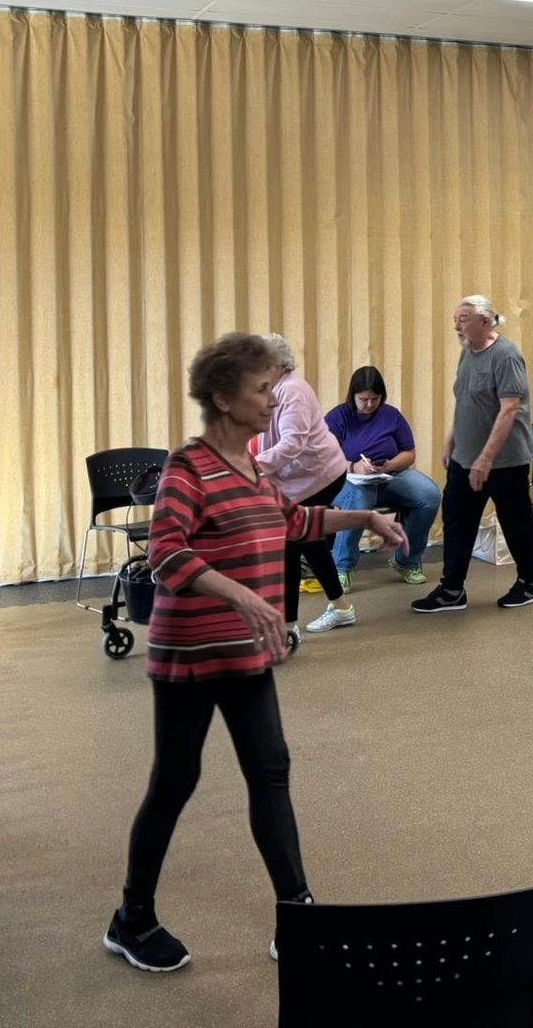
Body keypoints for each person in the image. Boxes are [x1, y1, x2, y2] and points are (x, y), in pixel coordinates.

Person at [104, 332, 404, 973]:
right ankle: (131, 918)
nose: (275, 400)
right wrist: (243, 596)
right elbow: (165, 554)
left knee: (271, 772)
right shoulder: (187, 468)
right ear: (222, 397)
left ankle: (296, 912)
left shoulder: (253, 467)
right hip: (190, 655)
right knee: (175, 782)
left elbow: (294, 522)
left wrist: (366, 520)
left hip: (247, 653)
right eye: (263, 389)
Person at [411, 295, 533, 614]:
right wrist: (451, 442)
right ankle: (452, 589)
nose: (456, 325)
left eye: (463, 319)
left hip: (505, 461)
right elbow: (464, 402)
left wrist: (485, 459)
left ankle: (530, 583)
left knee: (515, 522)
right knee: (457, 518)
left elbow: (510, 409)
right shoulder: (468, 352)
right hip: (465, 458)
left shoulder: (506, 356)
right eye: (455, 318)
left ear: (485, 321)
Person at [253, 335, 355, 638]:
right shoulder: (270, 389)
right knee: (308, 540)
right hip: (301, 479)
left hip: (320, 476)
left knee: (289, 543)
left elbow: (292, 443)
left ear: (278, 364)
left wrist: (253, 466)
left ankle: (287, 628)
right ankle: (341, 608)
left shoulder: (292, 390)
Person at [325, 367, 442, 588]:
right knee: (360, 498)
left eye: (375, 399)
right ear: (353, 396)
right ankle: (342, 567)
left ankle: (406, 561)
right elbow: (322, 458)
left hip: (388, 476)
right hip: (347, 481)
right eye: (363, 399)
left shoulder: (392, 415)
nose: (369, 405)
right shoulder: (338, 417)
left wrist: (390, 465)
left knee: (429, 495)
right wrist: (353, 466)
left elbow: (409, 453)